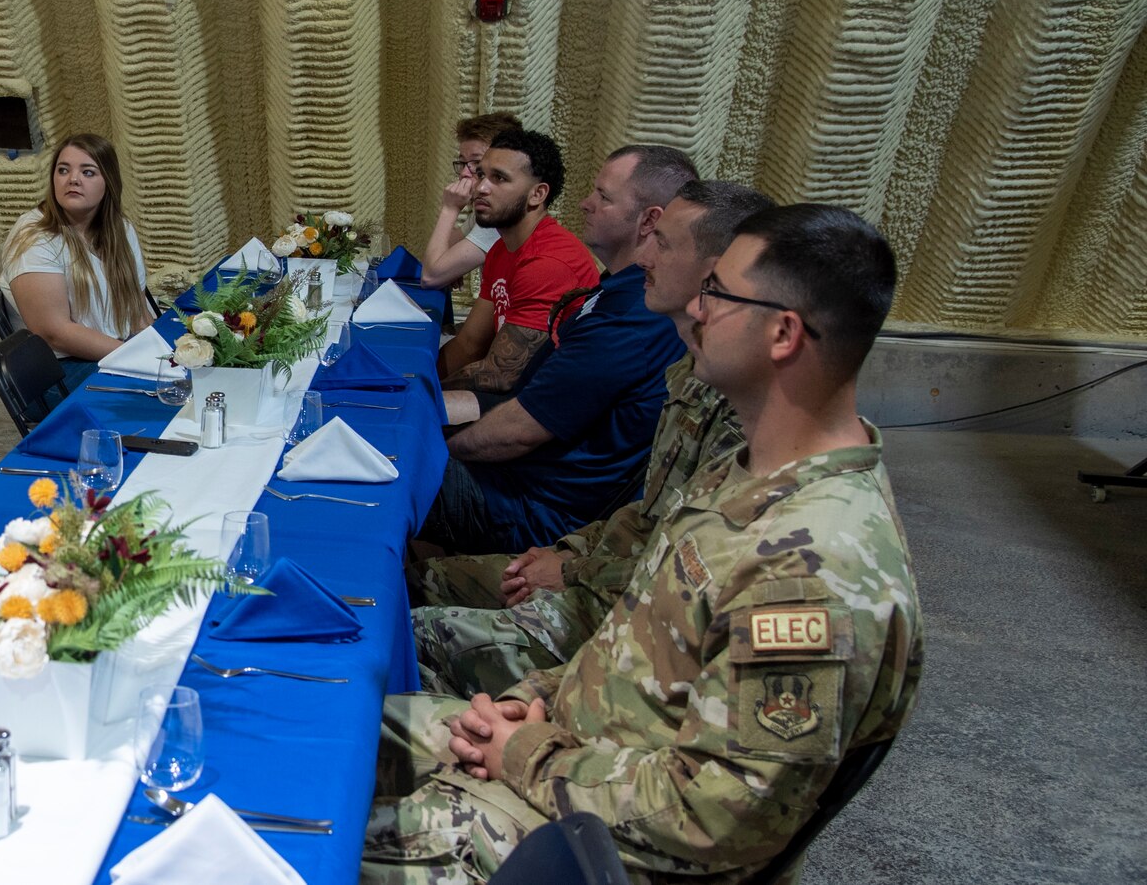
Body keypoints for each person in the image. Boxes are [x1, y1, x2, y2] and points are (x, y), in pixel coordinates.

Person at [364, 204, 924, 884]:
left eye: (718, 292)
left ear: (783, 333)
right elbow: (632, 644)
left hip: (607, 843)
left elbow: (712, 821)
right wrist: (534, 700)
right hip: (575, 749)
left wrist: (526, 754)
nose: (696, 305)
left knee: (303, 836)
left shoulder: (813, 570)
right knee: (334, 733)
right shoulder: (749, 468)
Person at [411, 180, 775, 698]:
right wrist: (565, 554)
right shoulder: (690, 376)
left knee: (391, 640)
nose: (644, 254)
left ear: (717, 272)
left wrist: (574, 567)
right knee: (397, 591)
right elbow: (647, 514)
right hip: (590, 561)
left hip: (622, 622)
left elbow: (691, 579)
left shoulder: (746, 419)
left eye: (663, 243)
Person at [422, 146, 695, 554]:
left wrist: (426, 447)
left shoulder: (631, 317)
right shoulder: (616, 288)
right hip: (519, 475)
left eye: (603, 197)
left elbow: (517, 429)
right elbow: (510, 385)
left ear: (649, 220)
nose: (585, 204)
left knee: (383, 472)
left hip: (532, 507)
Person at [432, 129, 597, 388]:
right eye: (481, 174)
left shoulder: (548, 262)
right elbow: (469, 344)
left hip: (540, 403)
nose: (481, 187)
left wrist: (418, 396)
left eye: (499, 178)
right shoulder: (501, 247)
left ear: (537, 194)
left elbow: (501, 375)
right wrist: (414, 379)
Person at [0, 134, 152, 391]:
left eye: (88, 172)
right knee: (156, 397)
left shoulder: (121, 230)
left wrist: (164, 353)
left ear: (109, 183)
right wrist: (135, 359)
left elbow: (137, 310)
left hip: (113, 350)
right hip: (62, 372)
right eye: (63, 170)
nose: (73, 179)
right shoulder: (34, 237)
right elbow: (54, 333)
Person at [420, 113, 517, 286]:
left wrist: (450, 209)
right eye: (462, 163)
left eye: (476, 163)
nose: (465, 173)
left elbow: (430, 278)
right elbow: (440, 255)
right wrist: (449, 265)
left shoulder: (502, 215)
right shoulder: (485, 209)